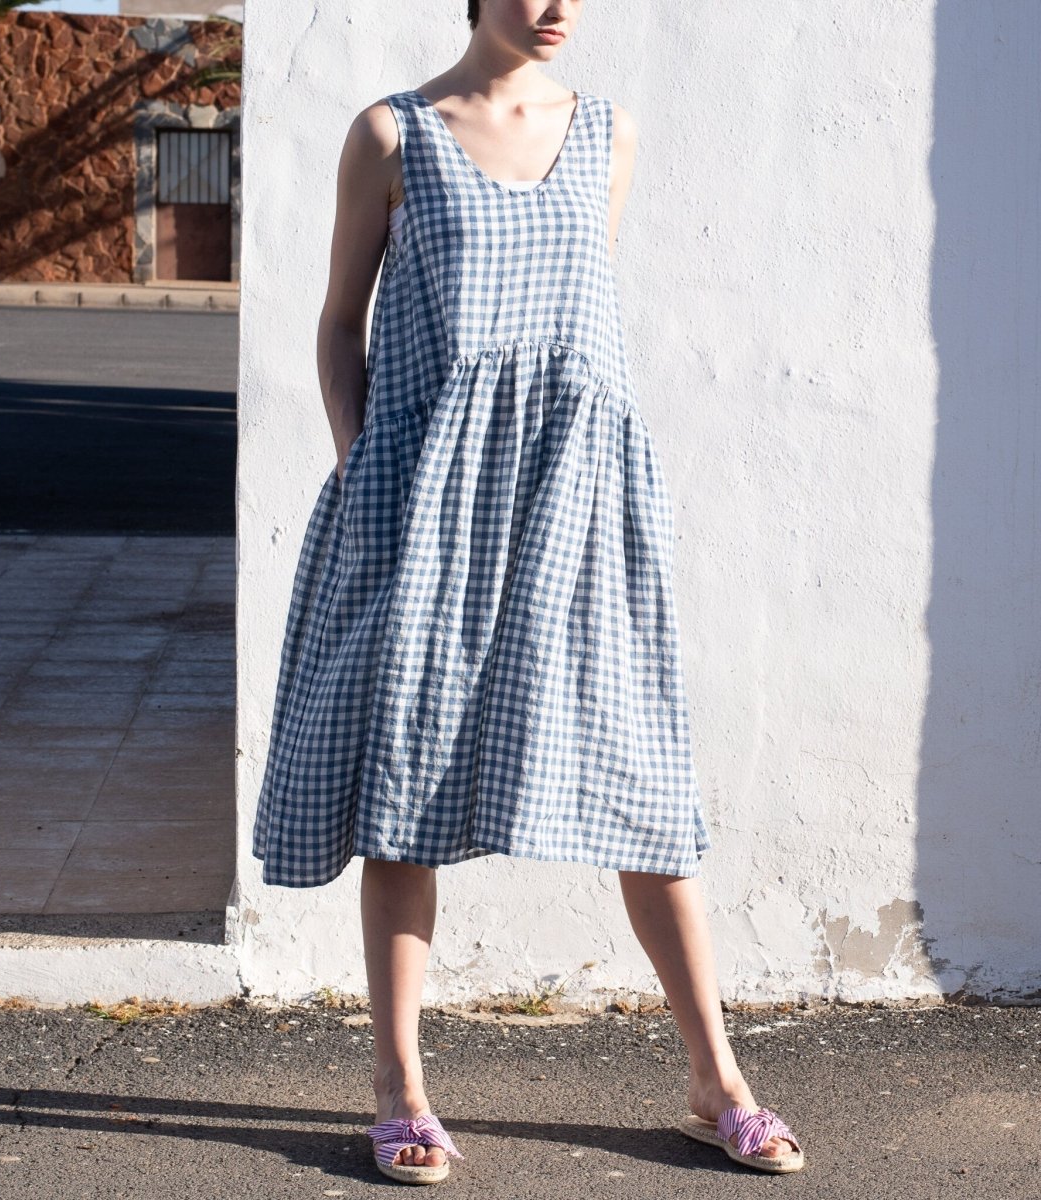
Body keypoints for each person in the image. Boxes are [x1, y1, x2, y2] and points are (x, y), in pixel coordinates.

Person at [252, 0, 805, 1185]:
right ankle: (400, 1090)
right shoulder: (393, 135)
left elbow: (578, 344)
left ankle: (717, 1081)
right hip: (425, 505)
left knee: (647, 789)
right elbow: (340, 322)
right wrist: (365, 468)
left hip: (576, 503)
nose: (557, 7)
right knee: (405, 789)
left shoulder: (607, 133)